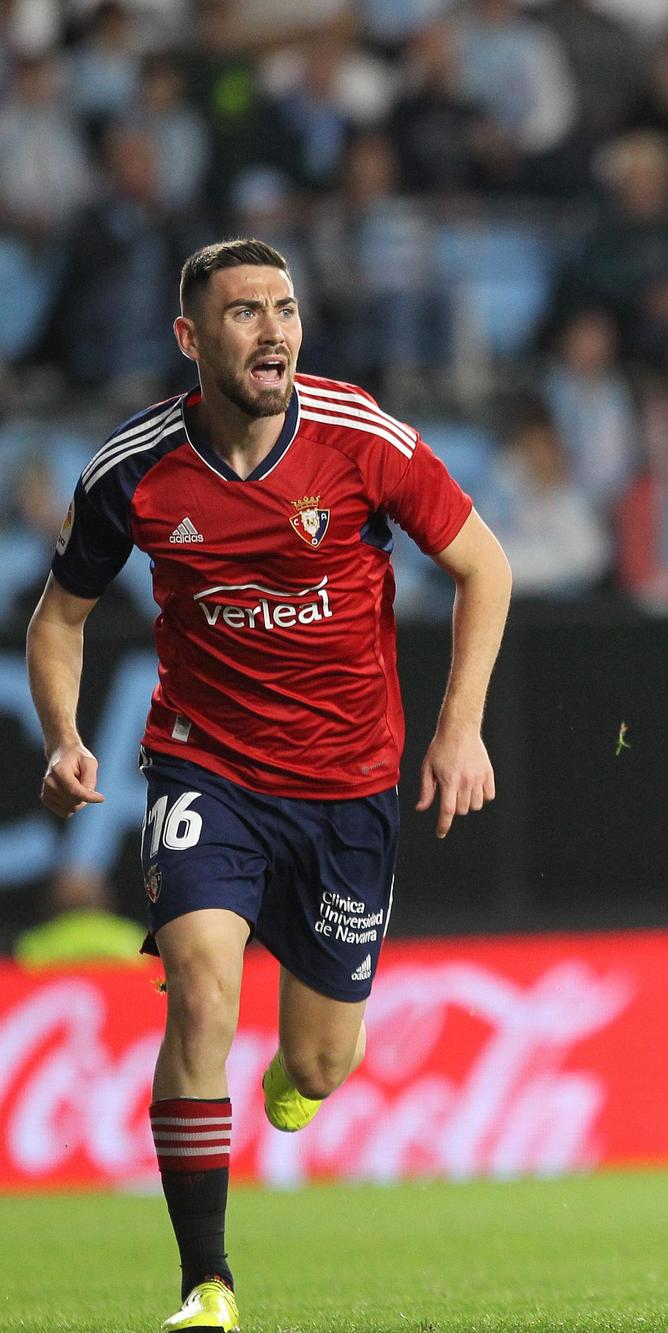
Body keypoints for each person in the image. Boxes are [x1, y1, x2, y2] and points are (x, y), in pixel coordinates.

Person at [26, 239, 512, 1331]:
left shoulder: (359, 438)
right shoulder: (134, 470)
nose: (274, 331)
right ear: (191, 339)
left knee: (320, 1061)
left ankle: (306, 1073)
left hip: (346, 788)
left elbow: (487, 564)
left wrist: (460, 729)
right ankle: (207, 1282)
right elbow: (58, 620)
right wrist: (63, 736)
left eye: (285, 309)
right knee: (199, 984)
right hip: (207, 764)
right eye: (245, 313)